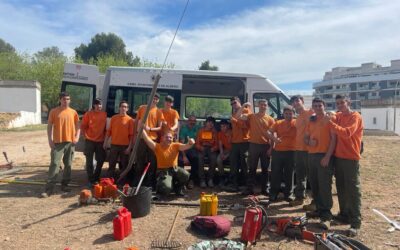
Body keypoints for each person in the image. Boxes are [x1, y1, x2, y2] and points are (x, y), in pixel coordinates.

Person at [324, 94, 363, 237]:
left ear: (348, 102)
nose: (340, 105)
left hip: (351, 158)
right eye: (338, 103)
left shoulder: (355, 116)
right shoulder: (339, 115)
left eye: (342, 103)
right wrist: (329, 115)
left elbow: (347, 133)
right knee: (341, 188)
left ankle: (355, 222)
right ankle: (344, 214)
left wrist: (332, 123)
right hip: (339, 157)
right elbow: (330, 118)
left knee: (353, 190)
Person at [304, 98, 336, 230]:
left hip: (324, 156)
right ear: (313, 107)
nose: (318, 107)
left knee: (324, 185)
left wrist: (327, 157)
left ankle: (326, 216)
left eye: (320, 105)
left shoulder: (330, 119)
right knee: (314, 184)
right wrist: (308, 142)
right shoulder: (311, 120)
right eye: (315, 106)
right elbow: (305, 136)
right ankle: (318, 208)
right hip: (312, 156)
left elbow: (334, 139)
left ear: (324, 106)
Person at [41, 92, 79, 198]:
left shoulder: (73, 112)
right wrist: (50, 140)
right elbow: (49, 127)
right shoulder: (54, 111)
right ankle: (49, 190)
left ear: (70, 100)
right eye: (63, 99)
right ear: (60, 100)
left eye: (67, 99)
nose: (65, 101)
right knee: (54, 164)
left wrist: (76, 137)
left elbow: (78, 126)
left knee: (68, 165)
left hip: (70, 143)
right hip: (57, 143)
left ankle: (65, 185)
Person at [237, 99, 275, 195]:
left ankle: (265, 189)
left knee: (265, 169)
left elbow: (273, 135)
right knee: (252, 168)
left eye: (265, 105)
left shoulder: (270, 119)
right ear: (258, 106)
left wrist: (271, 148)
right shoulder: (252, 116)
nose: (263, 106)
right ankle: (250, 189)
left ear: (267, 107)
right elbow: (238, 116)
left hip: (265, 146)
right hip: (253, 145)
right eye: (261, 104)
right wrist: (244, 105)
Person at [141, 129, 194, 197]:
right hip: (163, 171)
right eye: (167, 137)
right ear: (162, 138)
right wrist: (142, 129)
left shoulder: (176, 145)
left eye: (170, 137)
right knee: (167, 188)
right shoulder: (157, 146)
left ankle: (178, 190)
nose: (169, 139)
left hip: (175, 169)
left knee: (186, 175)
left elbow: (186, 146)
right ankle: (160, 191)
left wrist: (190, 143)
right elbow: (147, 139)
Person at [289, 95, 315, 208]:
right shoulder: (298, 117)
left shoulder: (311, 112)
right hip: (298, 149)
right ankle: (300, 198)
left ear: (302, 101)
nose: (295, 103)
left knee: (312, 176)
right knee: (300, 175)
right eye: (293, 102)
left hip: (309, 150)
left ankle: (315, 201)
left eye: (297, 101)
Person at [135, 93, 165, 188]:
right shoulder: (142, 108)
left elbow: (160, 127)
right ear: (149, 98)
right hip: (141, 138)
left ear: (158, 101)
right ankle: (138, 182)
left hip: (153, 139)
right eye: (153, 98)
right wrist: (136, 133)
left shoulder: (159, 112)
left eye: (156, 99)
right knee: (139, 161)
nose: (154, 100)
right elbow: (137, 122)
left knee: (152, 162)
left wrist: (150, 129)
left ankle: (150, 183)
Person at [268, 105, 296, 202]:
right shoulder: (278, 123)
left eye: (290, 113)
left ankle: (288, 194)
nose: (288, 115)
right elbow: (268, 132)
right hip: (278, 152)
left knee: (289, 173)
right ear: (283, 114)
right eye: (286, 113)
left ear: (293, 114)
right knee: (275, 173)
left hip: (291, 152)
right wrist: (275, 139)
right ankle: (273, 193)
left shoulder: (296, 123)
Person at [103, 101, 134, 182]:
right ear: (119, 108)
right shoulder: (114, 118)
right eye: (122, 106)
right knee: (111, 164)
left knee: (124, 165)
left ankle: (123, 181)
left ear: (127, 109)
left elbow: (131, 135)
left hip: (125, 146)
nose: (123, 108)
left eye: (125, 107)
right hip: (114, 145)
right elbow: (109, 132)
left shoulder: (130, 120)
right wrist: (105, 142)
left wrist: (129, 147)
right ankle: (109, 181)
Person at [80, 98, 107, 186]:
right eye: (97, 104)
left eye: (100, 104)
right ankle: (91, 179)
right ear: (94, 105)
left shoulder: (104, 114)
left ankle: (96, 177)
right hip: (90, 141)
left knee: (101, 160)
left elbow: (106, 128)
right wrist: (85, 137)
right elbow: (83, 126)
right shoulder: (88, 114)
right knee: (89, 161)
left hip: (100, 141)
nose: (99, 106)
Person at [226, 96, 250, 192]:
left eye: (234, 103)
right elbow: (234, 128)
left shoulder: (246, 111)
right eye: (231, 104)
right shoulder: (234, 113)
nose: (233, 105)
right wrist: (230, 136)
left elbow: (247, 126)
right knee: (233, 164)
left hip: (244, 142)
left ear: (239, 102)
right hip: (235, 143)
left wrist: (235, 121)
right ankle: (234, 184)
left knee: (244, 165)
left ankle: (246, 185)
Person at [178, 115, 200, 189]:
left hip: (193, 149)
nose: (192, 122)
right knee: (181, 161)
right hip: (184, 149)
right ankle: (182, 181)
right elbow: (182, 144)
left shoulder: (197, 128)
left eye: (194, 121)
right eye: (191, 120)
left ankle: (191, 180)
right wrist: (184, 156)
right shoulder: (184, 129)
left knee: (195, 159)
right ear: (187, 121)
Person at [196, 116, 218, 188]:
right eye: (209, 122)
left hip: (211, 148)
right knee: (200, 158)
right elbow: (197, 143)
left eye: (212, 123)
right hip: (202, 148)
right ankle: (202, 180)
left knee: (214, 158)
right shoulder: (201, 131)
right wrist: (200, 148)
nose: (210, 124)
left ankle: (210, 179)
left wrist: (214, 148)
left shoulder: (215, 132)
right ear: (206, 123)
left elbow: (217, 144)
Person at [216, 119, 232, 187]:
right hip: (225, 150)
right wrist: (222, 153)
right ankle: (222, 177)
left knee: (233, 160)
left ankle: (231, 178)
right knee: (218, 159)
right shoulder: (220, 133)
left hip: (233, 151)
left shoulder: (233, 133)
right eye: (221, 126)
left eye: (224, 126)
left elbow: (234, 147)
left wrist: (227, 155)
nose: (222, 128)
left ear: (228, 126)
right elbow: (220, 144)